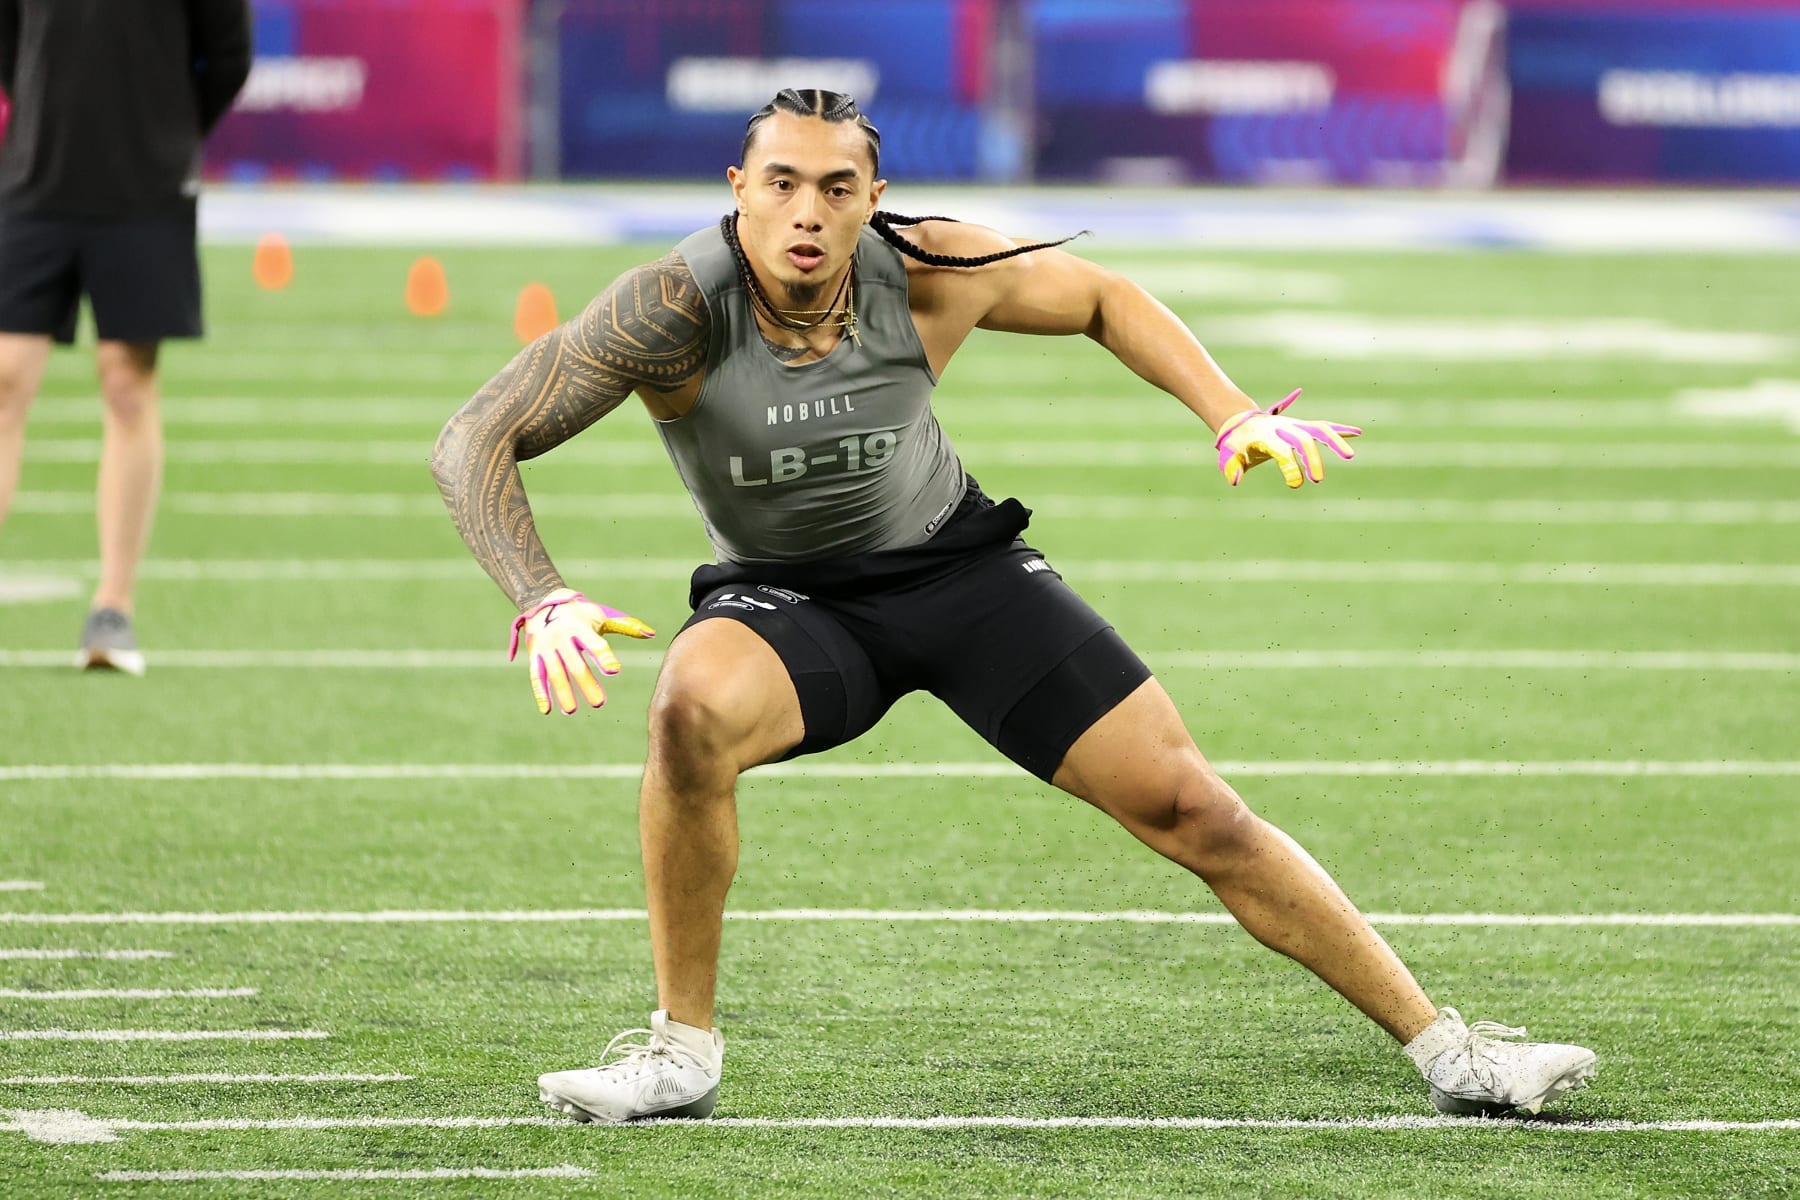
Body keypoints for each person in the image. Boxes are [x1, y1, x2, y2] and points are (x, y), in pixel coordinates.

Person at [432, 89, 1597, 1125]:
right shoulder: (671, 308)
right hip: (791, 601)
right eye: (780, 182)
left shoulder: (928, 265)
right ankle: (680, 1053)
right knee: (688, 710)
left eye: (836, 187)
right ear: (738, 189)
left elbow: (1101, 297)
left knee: (1194, 808)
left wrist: (1231, 412)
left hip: (960, 571)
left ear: (871, 197)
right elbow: (476, 433)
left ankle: (1454, 1054)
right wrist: (540, 597)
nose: (806, 210)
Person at [0, 0, 252, 673]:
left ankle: (114, 607)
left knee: (127, 383)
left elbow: (229, 55)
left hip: (146, 189)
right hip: (34, 179)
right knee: (5, 374)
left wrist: (165, 132)